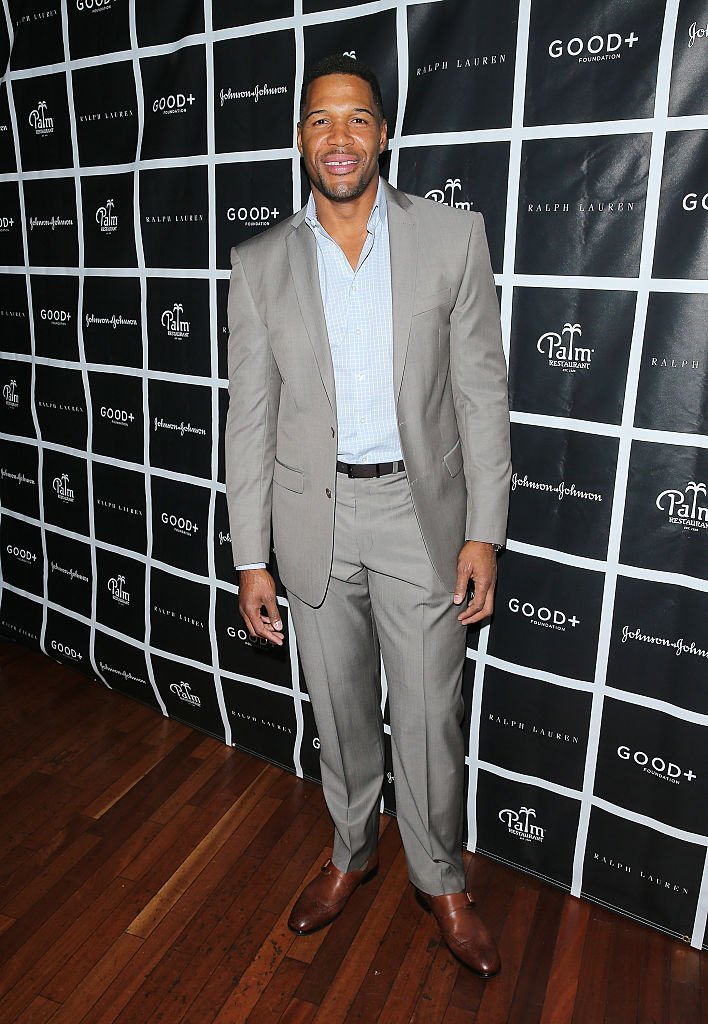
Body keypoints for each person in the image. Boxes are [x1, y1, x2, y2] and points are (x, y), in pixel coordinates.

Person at [225, 54, 511, 977]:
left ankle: (442, 878)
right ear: (302, 138)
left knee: (430, 715)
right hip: (315, 520)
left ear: (383, 133)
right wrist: (251, 556)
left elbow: (480, 395)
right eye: (320, 120)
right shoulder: (261, 262)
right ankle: (351, 851)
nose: (338, 137)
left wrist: (483, 532)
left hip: (417, 515)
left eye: (356, 119)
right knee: (341, 713)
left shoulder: (453, 237)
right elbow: (251, 419)